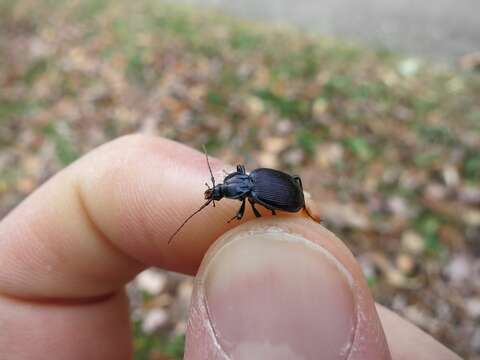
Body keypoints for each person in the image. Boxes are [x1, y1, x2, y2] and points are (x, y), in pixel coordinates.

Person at [0, 135, 460, 360]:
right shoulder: (246, 187)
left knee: (268, 229)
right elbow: (260, 186)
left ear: (234, 189)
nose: (222, 192)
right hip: (279, 187)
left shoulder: (254, 197)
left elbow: (279, 195)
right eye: (224, 191)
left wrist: (295, 212)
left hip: (283, 195)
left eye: (223, 190)